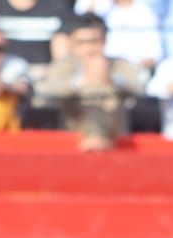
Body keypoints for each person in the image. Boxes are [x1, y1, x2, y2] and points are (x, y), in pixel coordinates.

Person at [40, 13, 146, 150]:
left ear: (104, 41)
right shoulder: (62, 66)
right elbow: (48, 90)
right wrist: (81, 81)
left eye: (94, 41)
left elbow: (140, 89)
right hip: (74, 138)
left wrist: (112, 80)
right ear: (71, 43)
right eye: (82, 42)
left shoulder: (119, 65)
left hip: (116, 139)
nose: (89, 48)